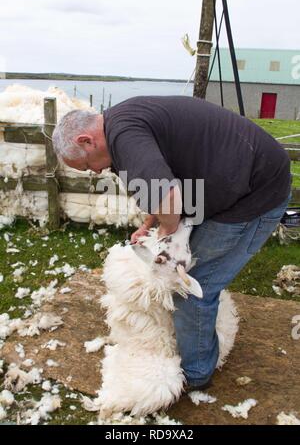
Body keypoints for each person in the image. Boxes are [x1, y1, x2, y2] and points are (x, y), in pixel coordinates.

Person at [52, 96, 291, 391]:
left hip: (256, 193)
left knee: (191, 285)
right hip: (241, 178)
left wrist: (167, 234)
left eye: (88, 165)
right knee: (187, 268)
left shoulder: (125, 138)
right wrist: (151, 223)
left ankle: (195, 374)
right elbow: (171, 179)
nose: (97, 172)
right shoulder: (121, 124)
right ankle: (192, 342)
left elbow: (168, 197)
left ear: (87, 140)